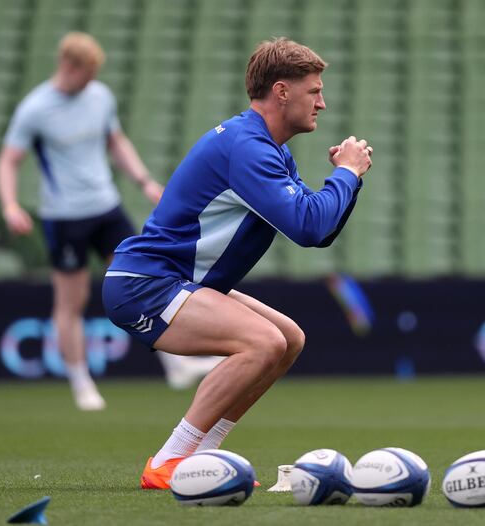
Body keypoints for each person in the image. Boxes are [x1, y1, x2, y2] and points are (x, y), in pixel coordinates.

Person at [102, 37, 373, 489]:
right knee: (263, 342)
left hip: (178, 281)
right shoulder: (249, 148)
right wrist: (346, 173)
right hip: (146, 282)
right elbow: (308, 228)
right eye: (314, 91)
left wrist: (348, 180)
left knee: (288, 339)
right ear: (282, 91)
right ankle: (168, 462)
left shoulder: (269, 148)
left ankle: (203, 457)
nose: (322, 103)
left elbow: (318, 229)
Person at [0, 32, 165, 411]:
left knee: (146, 278)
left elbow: (116, 141)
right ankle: (80, 381)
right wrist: (10, 205)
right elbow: (9, 159)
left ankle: (176, 360)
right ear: (68, 66)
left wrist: (144, 181)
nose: (91, 80)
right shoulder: (35, 108)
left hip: (106, 206)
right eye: (86, 72)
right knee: (72, 300)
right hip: (64, 216)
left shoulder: (101, 96)